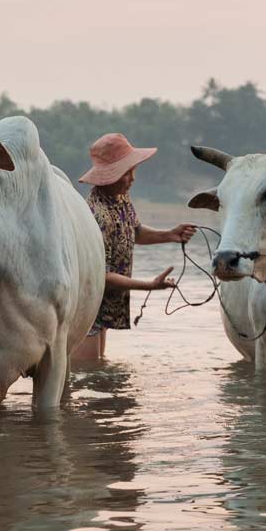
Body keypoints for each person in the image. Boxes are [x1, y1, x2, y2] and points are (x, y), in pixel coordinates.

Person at [73, 132, 198, 361]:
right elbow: (101, 275)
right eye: (126, 172)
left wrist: (170, 234)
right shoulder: (97, 214)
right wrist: (148, 286)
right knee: (88, 372)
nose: (132, 178)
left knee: (100, 368)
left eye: (133, 171)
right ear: (109, 176)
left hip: (104, 301)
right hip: (87, 301)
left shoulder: (120, 200)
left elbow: (134, 231)